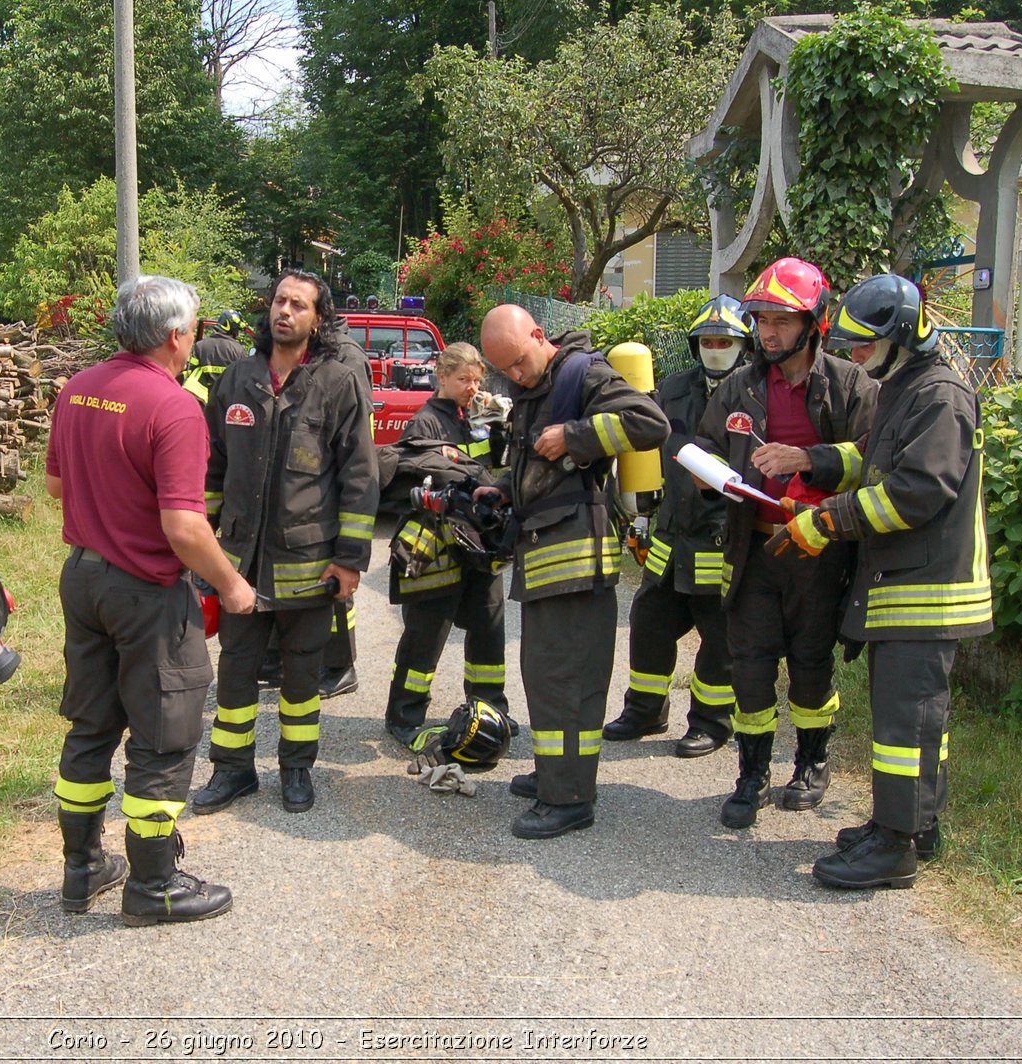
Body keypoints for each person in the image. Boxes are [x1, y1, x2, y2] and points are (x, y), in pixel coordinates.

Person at [766, 274, 991, 888]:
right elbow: (869, 456)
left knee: (905, 726)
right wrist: (811, 464)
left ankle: (895, 848)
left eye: (865, 345)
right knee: (916, 724)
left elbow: (917, 491)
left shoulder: (940, 395)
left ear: (900, 336)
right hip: (905, 584)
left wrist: (828, 520)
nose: (855, 356)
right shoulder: (905, 388)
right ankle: (914, 824)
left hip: (926, 590)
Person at [46, 276, 256, 925]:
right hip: (145, 590)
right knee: (164, 737)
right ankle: (155, 884)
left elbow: (55, 485)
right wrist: (232, 584)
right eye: (191, 329)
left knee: (91, 726)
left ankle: (83, 868)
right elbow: (185, 528)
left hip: (82, 579)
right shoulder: (173, 407)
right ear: (175, 337)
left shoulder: (79, 388)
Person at [693, 257, 878, 829]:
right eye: (760, 319)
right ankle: (752, 773)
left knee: (809, 662)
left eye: (781, 320)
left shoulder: (851, 385)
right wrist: (714, 474)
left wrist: (810, 460)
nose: (767, 332)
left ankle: (811, 761)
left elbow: (875, 462)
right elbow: (706, 447)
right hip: (754, 548)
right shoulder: (740, 388)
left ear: (814, 321)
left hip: (819, 551)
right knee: (748, 663)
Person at [477, 304, 669, 839]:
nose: (514, 376)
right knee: (546, 678)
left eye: (518, 362)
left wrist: (576, 436)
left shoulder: (583, 373)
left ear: (539, 335)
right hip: (545, 558)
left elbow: (650, 423)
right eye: (505, 371)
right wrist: (502, 488)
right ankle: (556, 775)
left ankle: (569, 800)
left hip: (576, 561)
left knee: (564, 680)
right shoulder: (534, 388)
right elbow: (534, 468)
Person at [192, 269, 379, 815]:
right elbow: (212, 469)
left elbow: (360, 478)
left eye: (299, 305)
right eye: (279, 301)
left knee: (301, 676)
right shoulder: (237, 379)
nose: (285, 311)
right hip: (240, 564)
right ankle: (232, 771)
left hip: (309, 565)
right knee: (235, 669)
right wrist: (204, 551)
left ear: (317, 319)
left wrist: (350, 560)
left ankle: (296, 769)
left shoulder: (338, 383)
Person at [603, 295, 750, 757]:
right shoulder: (674, 388)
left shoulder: (757, 393)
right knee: (648, 621)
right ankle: (645, 709)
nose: (714, 348)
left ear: (743, 345)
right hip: (670, 536)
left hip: (722, 541)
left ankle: (710, 721)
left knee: (719, 637)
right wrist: (638, 513)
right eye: (707, 340)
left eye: (724, 340)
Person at [384, 342, 513, 747]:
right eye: (463, 380)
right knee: (426, 633)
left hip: (478, 543)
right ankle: (404, 714)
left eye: (476, 380)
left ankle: (491, 708)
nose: (471, 387)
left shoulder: (475, 416)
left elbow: (496, 468)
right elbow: (415, 473)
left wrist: (500, 426)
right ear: (442, 377)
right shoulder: (426, 423)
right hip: (438, 543)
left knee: (489, 628)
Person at [182, 310, 248, 405]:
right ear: (232, 328)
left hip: (199, 400)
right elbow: (243, 378)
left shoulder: (200, 346)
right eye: (237, 330)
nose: (237, 333)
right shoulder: (238, 350)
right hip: (225, 401)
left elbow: (189, 371)